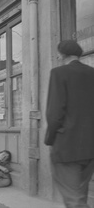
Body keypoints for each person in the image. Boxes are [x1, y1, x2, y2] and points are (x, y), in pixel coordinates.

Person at [45, 40, 94, 208]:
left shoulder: (59, 73)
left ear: (61, 54)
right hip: (90, 147)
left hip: (67, 146)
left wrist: (50, 140)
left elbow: (55, 113)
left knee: (74, 201)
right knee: (80, 195)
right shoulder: (92, 73)